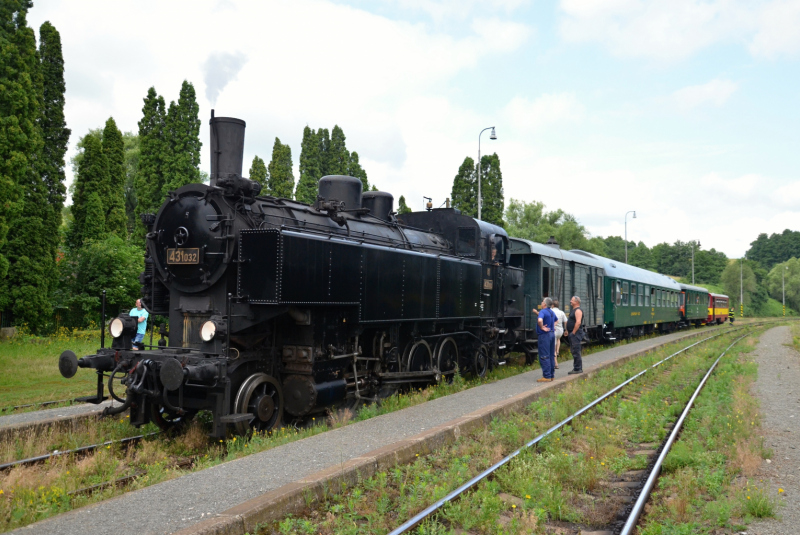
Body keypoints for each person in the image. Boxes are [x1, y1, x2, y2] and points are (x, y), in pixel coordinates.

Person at [536, 297, 556, 382]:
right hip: (552, 334)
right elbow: (556, 320)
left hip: (544, 335)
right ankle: (551, 375)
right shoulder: (551, 312)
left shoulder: (542, 311)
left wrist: (541, 327)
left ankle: (546, 376)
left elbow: (540, 320)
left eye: (542, 301)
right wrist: (552, 327)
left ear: (544, 304)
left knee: (544, 355)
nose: (541, 302)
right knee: (551, 355)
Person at [567, 295, 584, 374]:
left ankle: (578, 368)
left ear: (576, 302)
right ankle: (576, 367)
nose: (570, 301)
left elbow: (578, 322)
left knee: (576, 350)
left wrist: (573, 332)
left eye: (572, 300)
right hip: (573, 333)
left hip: (576, 333)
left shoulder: (578, 311)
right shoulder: (574, 310)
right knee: (574, 350)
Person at [552, 299, 568, 369]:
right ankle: (558, 351)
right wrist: (566, 329)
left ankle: (556, 364)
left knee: (553, 349)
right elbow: (565, 321)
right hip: (560, 331)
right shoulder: (561, 312)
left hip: (554, 330)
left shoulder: (551, 311)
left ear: (552, 305)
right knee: (558, 339)